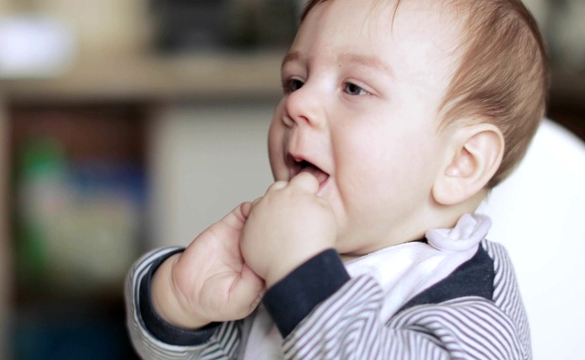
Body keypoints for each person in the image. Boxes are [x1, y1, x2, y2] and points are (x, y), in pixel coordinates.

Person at [125, 0, 548, 358]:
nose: (297, 103)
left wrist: (301, 276)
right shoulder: (277, 250)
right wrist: (180, 303)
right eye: (296, 80)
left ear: (462, 162)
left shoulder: (471, 308)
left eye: (354, 89)